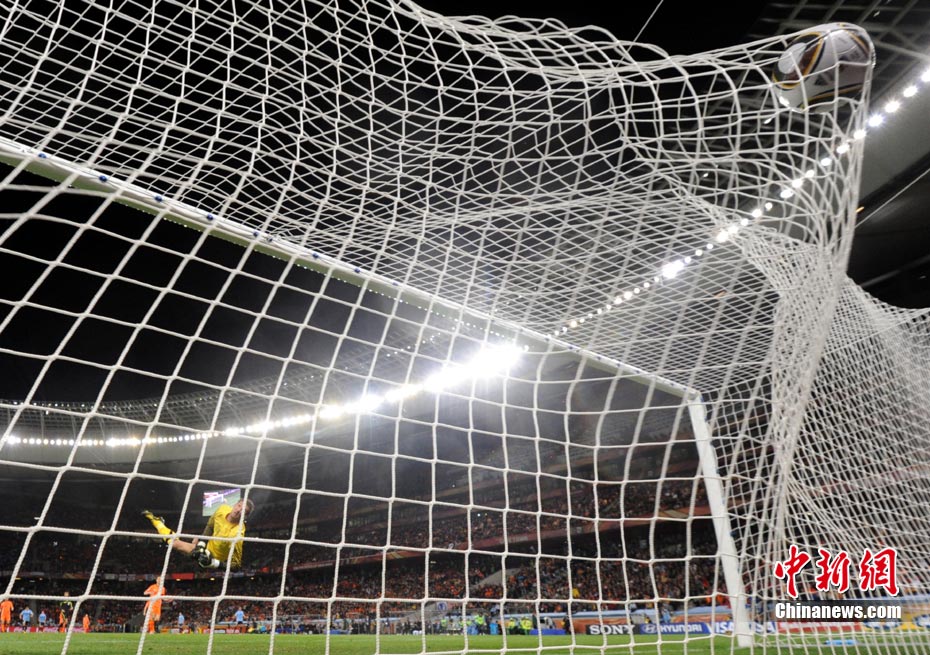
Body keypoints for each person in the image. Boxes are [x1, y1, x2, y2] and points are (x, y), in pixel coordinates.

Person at [143, 499, 254, 570]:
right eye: (239, 506)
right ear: (234, 504)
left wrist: (213, 563)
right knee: (174, 543)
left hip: (213, 559)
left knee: (182, 547)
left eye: (243, 511)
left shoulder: (237, 535)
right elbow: (210, 526)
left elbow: (236, 566)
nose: (238, 510)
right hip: (206, 547)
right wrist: (201, 544)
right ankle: (157, 522)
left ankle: (159, 522)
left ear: (245, 516)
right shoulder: (222, 509)